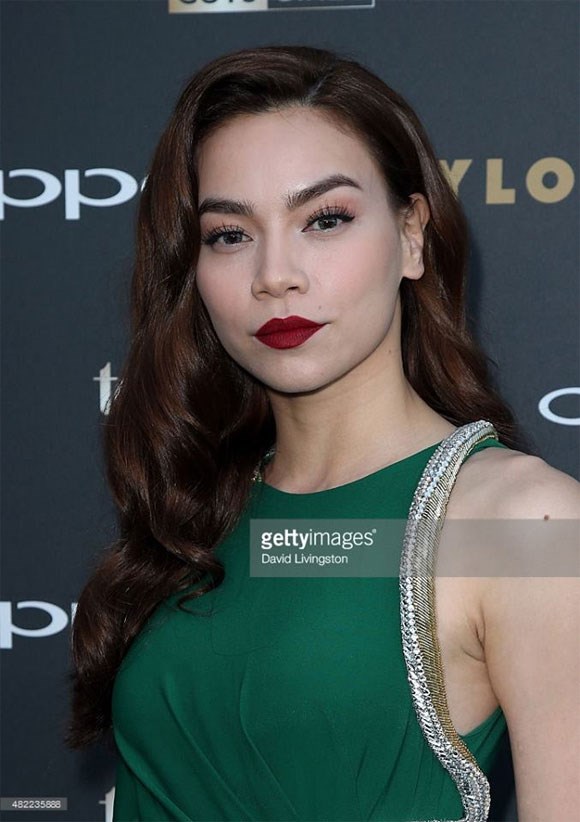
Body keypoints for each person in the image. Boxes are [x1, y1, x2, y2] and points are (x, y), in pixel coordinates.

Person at [66, 45, 579, 822]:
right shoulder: (200, 508)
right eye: (229, 234)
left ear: (412, 235)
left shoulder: (522, 527)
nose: (276, 274)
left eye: (325, 220)